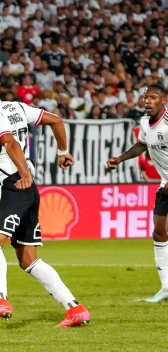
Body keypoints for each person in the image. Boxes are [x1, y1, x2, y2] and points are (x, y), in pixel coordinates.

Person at [0, 80, 90, 327]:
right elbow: (56, 119)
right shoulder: (15, 107)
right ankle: (75, 309)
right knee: (28, 258)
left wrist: (23, 172)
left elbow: (9, 142)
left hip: (10, 184)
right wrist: (62, 152)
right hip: (28, 188)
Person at [107, 83, 168, 302]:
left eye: (153, 97)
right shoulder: (144, 122)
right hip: (165, 184)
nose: (148, 101)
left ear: (164, 100)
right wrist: (119, 159)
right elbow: (142, 146)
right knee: (159, 231)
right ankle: (166, 288)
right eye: (145, 97)